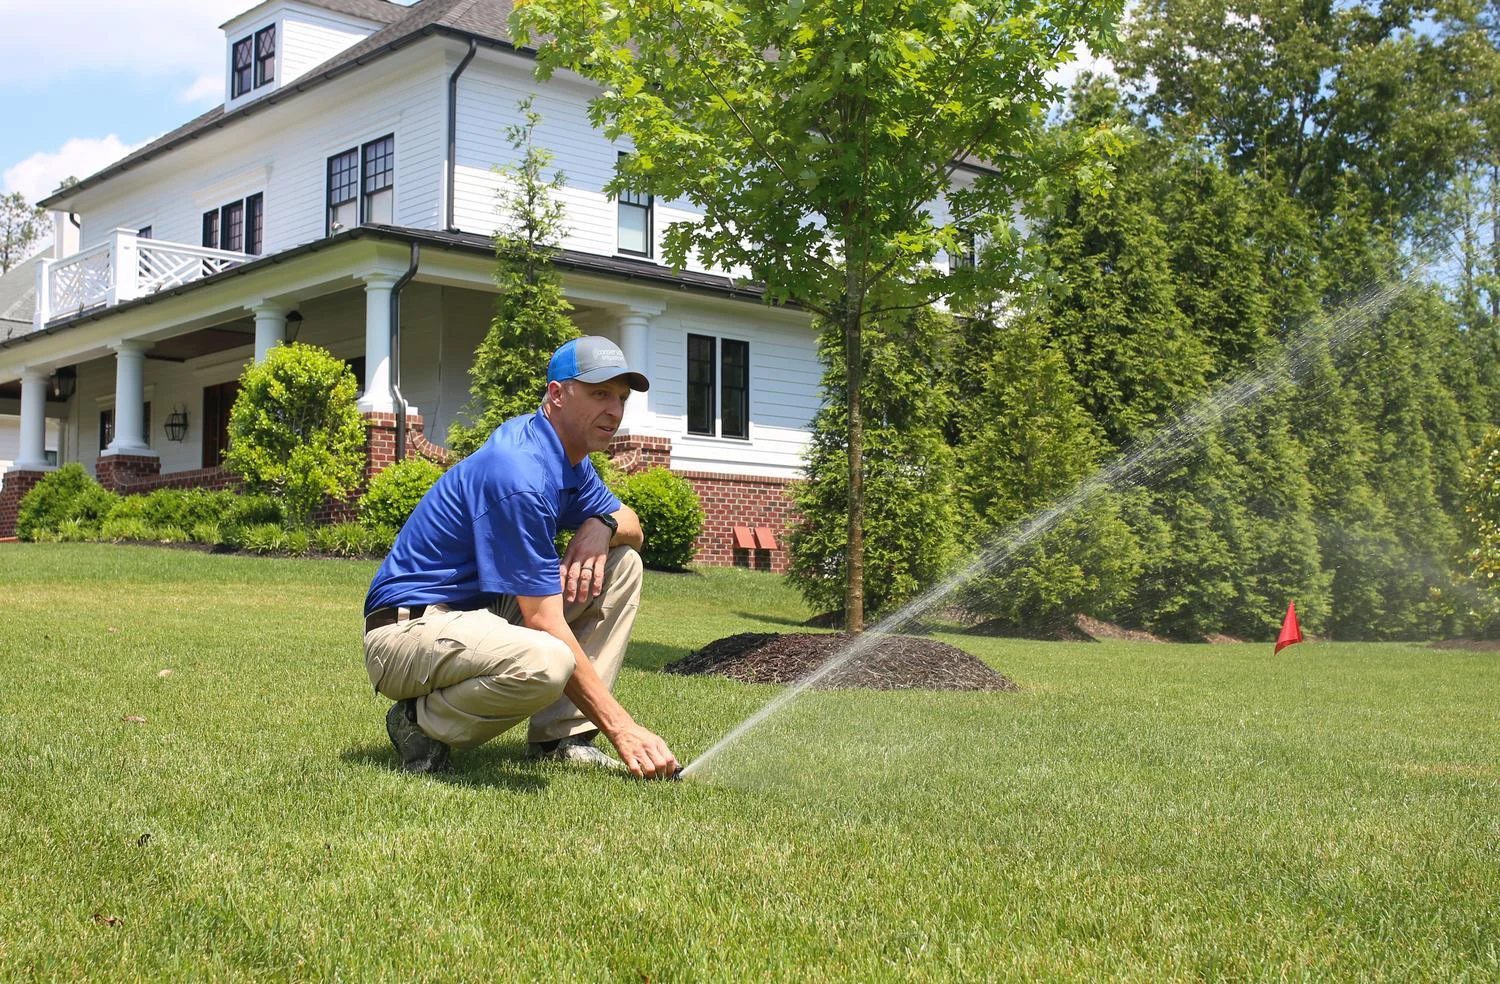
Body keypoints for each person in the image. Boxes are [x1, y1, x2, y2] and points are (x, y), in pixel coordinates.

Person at [362, 336, 679, 779]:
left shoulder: (567, 458)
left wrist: (600, 525)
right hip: (407, 630)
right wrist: (623, 729)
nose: (614, 410)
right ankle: (419, 724)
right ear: (556, 394)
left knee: (622, 563)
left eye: (621, 398)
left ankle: (560, 740)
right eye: (599, 393)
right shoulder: (520, 471)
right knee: (547, 661)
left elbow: (633, 525)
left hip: (476, 615)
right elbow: (542, 621)